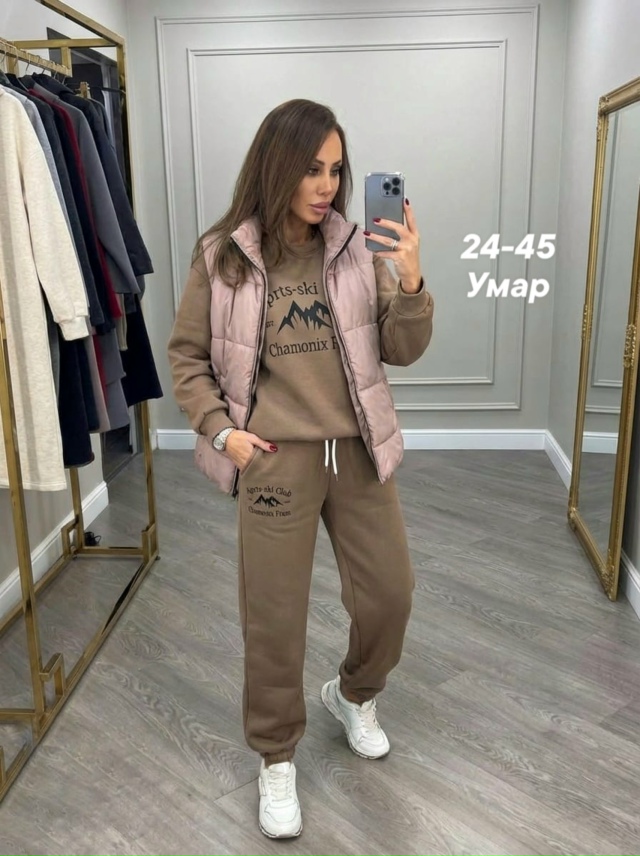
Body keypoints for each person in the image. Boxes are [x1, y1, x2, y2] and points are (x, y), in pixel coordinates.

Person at [167, 98, 434, 840]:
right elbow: (187, 356)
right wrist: (223, 433)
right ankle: (276, 755)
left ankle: (353, 694)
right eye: (312, 168)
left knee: (390, 595)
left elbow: (402, 350)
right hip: (274, 458)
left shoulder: (356, 248)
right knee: (274, 615)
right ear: (277, 165)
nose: (327, 185)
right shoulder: (223, 254)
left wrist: (411, 282)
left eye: (337, 170)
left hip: (356, 452)